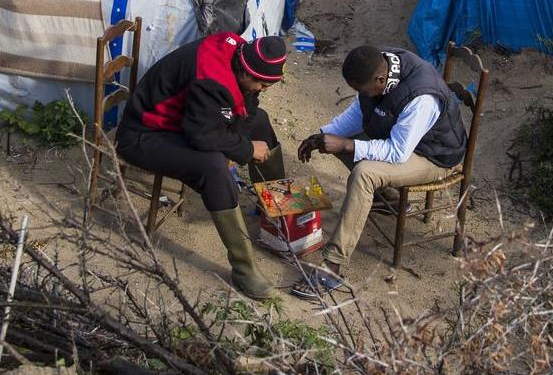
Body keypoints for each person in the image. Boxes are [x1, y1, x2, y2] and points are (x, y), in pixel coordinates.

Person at [115, 33, 288, 299]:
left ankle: (278, 210)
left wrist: (239, 141)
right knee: (214, 167)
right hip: (145, 134)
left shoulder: (239, 52)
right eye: (261, 85)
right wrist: (245, 148)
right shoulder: (211, 80)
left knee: (260, 122)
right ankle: (245, 269)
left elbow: (247, 105)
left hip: (186, 120)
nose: (261, 90)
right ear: (245, 70)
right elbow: (201, 135)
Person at [291, 45, 468, 298]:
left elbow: (397, 153)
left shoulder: (421, 98)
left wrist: (346, 144)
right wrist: (322, 136)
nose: (361, 94)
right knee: (336, 144)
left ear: (380, 80)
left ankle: (332, 266)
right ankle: (390, 200)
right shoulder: (379, 64)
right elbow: (357, 113)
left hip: (434, 155)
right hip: (407, 140)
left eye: (362, 90)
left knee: (364, 172)